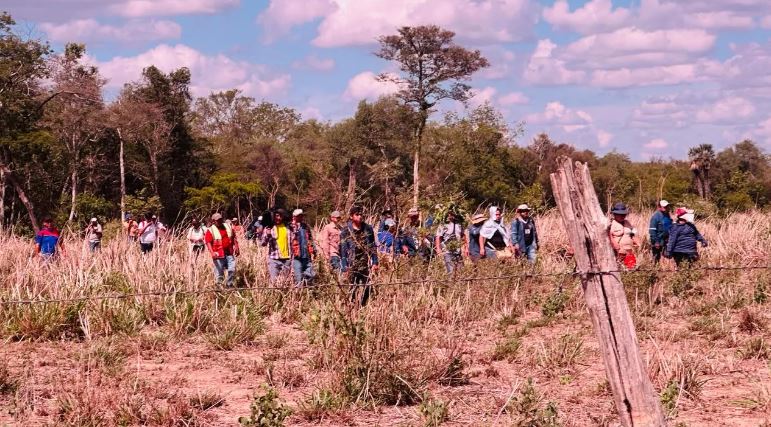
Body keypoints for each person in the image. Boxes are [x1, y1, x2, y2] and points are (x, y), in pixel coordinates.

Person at [340, 205, 379, 306]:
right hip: (352, 262)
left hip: (365, 262)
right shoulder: (346, 230)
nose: (360, 216)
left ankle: (362, 305)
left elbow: (373, 246)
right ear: (352, 216)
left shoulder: (368, 229)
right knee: (353, 286)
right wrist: (344, 266)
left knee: (368, 286)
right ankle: (352, 306)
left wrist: (375, 262)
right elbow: (343, 250)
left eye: (361, 214)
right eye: (357, 214)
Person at [205, 213, 240, 287]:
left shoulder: (228, 226)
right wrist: (212, 253)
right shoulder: (210, 230)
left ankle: (229, 285)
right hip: (218, 255)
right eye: (218, 220)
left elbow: (233, 237)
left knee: (232, 269)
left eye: (221, 219)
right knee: (219, 273)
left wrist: (236, 247)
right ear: (213, 221)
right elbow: (208, 242)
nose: (220, 221)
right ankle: (219, 288)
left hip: (229, 253)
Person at [262, 209, 293, 284]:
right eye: (276, 216)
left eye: (280, 216)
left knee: (285, 282)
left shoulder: (288, 228)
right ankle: (273, 295)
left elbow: (292, 242)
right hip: (274, 259)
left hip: (287, 259)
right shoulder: (269, 228)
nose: (278, 218)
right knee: (274, 282)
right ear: (273, 217)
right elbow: (263, 243)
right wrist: (268, 235)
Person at [608, 202, 641, 270]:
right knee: (618, 269)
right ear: (615, 214)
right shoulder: (610, 224)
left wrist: (636, 240)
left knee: (631, 269)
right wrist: (614, 244)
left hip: (629, 251)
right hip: (618, 252)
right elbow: (608, 235)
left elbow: (633, 233)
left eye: (623, 214)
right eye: (620, 214)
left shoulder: (627, 222)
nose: (622, 216)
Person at [291, 209, 316, 287]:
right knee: (299, 281)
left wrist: (314, 250)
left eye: (301, 215)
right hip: (296, 257)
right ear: (294, 217)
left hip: (306, 256)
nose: (301, 217)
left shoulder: (306, 227)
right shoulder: (291, 227)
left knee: (312, 274)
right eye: (299, 216)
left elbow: (310, 240)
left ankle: (306, 286)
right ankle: (298, 296)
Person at [648, 200, 673, 265]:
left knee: (667, 257)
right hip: (658, 240)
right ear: (659, 207)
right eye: (664, 207)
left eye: (667, 206)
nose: (666, 208)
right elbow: (652, 231)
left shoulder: (667, 215)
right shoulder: (655, 217)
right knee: (656, 258)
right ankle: (655, 270)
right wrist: (656, 242)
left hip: (666, 240)